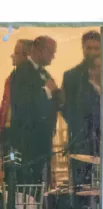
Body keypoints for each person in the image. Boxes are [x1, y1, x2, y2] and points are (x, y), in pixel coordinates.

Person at [9, 35, 62, 184]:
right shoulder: (20, 73)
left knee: (40, 185)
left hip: (42, 143)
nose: (53, 56)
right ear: (39, 50)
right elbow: (23, 104)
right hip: (28, 144)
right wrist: (47, 91)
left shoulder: (45, 73)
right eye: (51, 52)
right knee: (29, 188)